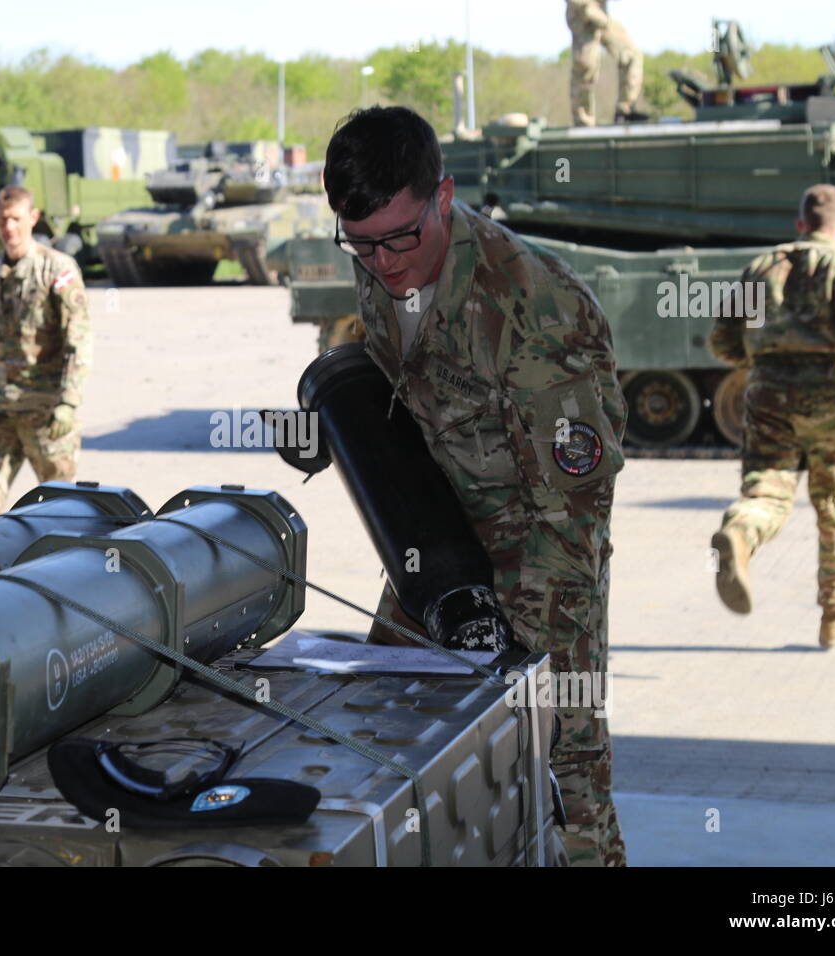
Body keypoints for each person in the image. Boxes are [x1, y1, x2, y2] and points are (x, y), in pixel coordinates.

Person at [324, 106, 628, 866]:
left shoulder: (534, 311)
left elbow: (573, 516)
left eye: (401, 238)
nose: (385, 263)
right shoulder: (380, 260)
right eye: (360, 244)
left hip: (544, 541)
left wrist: (522, 654)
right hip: (443, 530)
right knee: (386, 714)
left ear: (445, 196)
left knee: (563, 760)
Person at [709, 184, 835, 647]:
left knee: (769, 487)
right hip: (829, 395)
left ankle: (740, 530)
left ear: (799, 225)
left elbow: (722, 340)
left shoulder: (759, 267)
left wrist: (763, 364)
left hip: (766, 392)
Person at [0, 185, 92, 526]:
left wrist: (69, 402)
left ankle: (63, 576)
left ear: (33, 218)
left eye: (16, 219)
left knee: (62, 510)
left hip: (46, 414)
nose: (9, 228)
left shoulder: (58, 270)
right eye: (3, 220)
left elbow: (78, 340)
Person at [566, 0, 646, 126]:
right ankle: (583, 120)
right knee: (585, 67)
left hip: (601, 16)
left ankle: (625, 110)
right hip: (582, 16)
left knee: (631, 54)